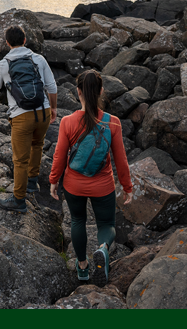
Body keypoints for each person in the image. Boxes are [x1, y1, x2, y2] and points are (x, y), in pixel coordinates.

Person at [49, 70, 133, 286]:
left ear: (78, 93)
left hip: (73, 185)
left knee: (78, 221)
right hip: (103, 186)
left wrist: (53, 180)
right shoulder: (112, 122)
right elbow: (120, 159)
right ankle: (103, 248)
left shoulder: (67, 121)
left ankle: (83, 267)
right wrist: (127, 186)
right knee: (106, 223)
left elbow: (59, 155)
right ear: (101, 91)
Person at [0, 25, 58, 212]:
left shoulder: (3, 64)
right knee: (37, 145)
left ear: (7, 43)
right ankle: (32, 182)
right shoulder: (38, 59)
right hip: (43, 113)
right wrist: (53, 108)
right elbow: (52, 86)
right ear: (25, 40)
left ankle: (18, 200)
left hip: (21, 116)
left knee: (20, 160)